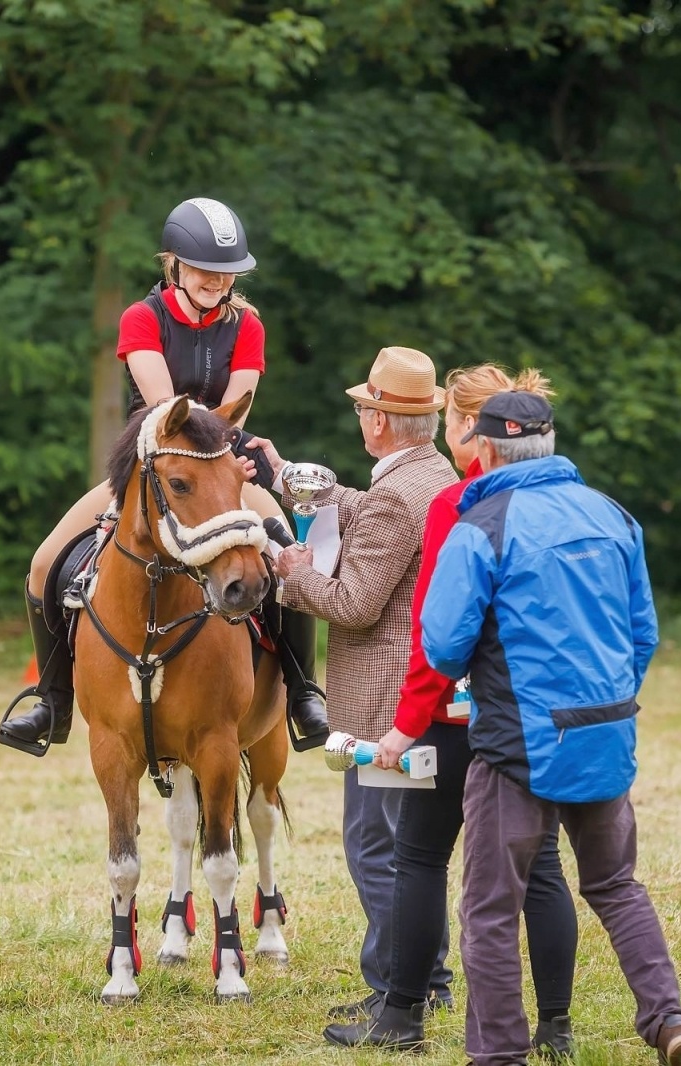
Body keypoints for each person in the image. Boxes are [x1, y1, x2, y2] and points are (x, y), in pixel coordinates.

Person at [421, 391, 681, 1066]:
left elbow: (442, 644)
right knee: (615, 885)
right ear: (549, 445)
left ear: (484, 452)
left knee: (489, 907)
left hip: (515, 748)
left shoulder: (482, 525)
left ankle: (500, 1056)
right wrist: (602, 700)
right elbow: (643, 635)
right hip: (604, 731)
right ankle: (669, 1020)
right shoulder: (614, 515)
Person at [0, 197, 329, 757]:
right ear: (173, 263)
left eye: (225, 273)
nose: (214, 281)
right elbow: (163, 407)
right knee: (44, 563)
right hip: (149, 462)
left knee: (281, 549)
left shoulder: (248, 325)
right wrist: (214, 446)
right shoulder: (141, 318)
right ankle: (51, 702)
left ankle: (302, 691)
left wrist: (227, 459)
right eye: (202, 269)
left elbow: (236, 406)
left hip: (223, 459)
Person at [324, 366, 579, 1058]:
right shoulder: (562, 504)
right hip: (531, 717)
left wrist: (409, 722)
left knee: (418, 856)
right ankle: (556, 1027)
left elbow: (439, 635)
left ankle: (403, 1013)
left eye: (455, 422)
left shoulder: (455, 504)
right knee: (544, 869)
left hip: (458, 719)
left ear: (475, 433)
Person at [262, 346, 459, 1020]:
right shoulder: (434, 474)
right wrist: (296, 478)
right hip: (428, 694)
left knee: (378, 847)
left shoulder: (394, 501)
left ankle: (397, 988)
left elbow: (352, 604)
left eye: (363, 406)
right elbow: (373, 508)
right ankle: (427, 980)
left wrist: (293, 570)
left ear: (378, 421)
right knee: (412, 848)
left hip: (383, 703)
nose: (359, 414)